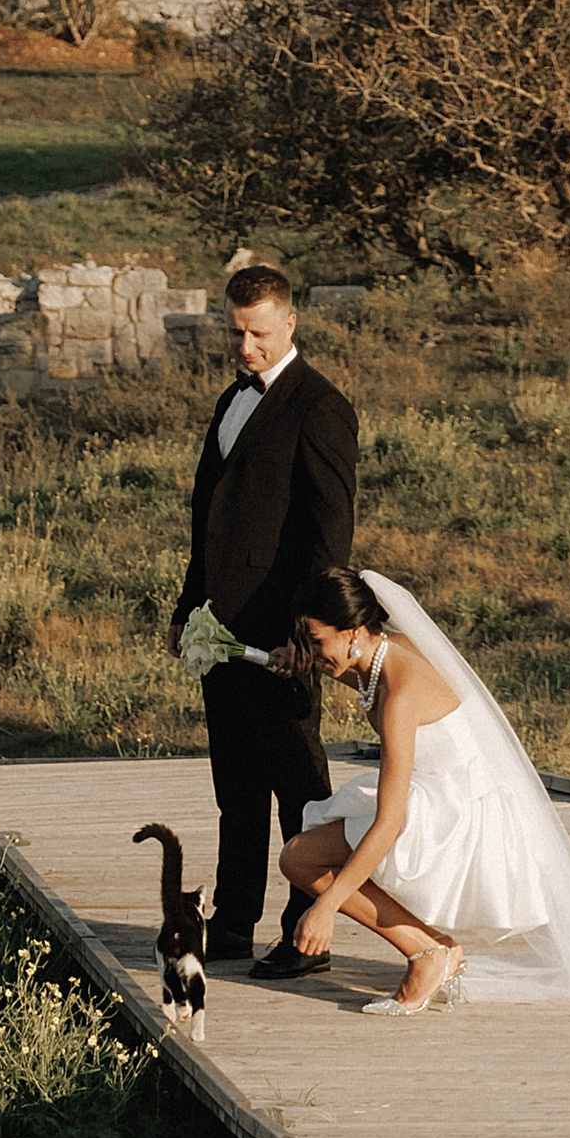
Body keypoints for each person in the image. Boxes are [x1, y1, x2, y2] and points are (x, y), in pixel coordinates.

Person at [282, 564, 570, 1010]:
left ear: (354, 632)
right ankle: (432, 948)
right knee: (300, 855)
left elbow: (389, 822)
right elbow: (358, 679)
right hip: (439, 795)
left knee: (303, 859)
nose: (312, 653)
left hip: (457, 817)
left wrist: (326, 908)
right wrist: (286, 660)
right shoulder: (384, 651)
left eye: (316, 642)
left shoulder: (400, 699)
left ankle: (426, 953)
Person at [167, 261, 357, 966]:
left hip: (282, 636)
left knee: (298, 785)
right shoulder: (229, 400)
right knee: (235, 785)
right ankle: (236, 920)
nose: (244, 347)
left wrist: (305, 635)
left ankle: (308, 931)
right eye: (236, 332)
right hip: (221, 629)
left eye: (258, 334)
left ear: (290, 324)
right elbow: (207, 523)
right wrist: (190, 609)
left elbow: (328, 537)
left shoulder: (321, 407)